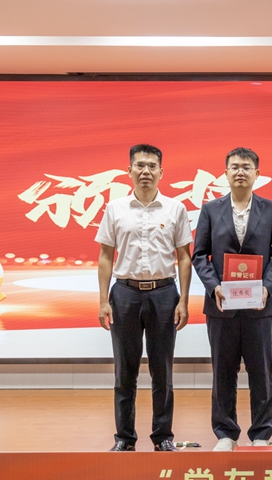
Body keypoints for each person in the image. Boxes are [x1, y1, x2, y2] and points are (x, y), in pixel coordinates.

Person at [96, 144, 192, 452]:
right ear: (129, 171)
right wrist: (103, 300)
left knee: (162, 370)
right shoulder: (115, 209)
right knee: (125, 370)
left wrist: (184, 301)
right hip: (124, 294)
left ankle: (163, 436)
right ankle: (124, 438)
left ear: (161, 172)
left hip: (164, 293)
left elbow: (184, 258)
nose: (146, 171)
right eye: (140, 165)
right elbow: (106, 257)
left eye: (152, 166)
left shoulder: (175, 209)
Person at [192, 147, 272, 452]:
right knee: (223, 372)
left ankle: (261, 434)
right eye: (234, 167)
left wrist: (267, 287)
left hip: (260, 306)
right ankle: (225, 433)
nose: (240, 172)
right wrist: (214, 286)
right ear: (225, 173)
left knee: (261, 371)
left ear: (257, 174)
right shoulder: (210, 210)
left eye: (246, 167)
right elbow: (199, 255)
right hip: (222, 306)